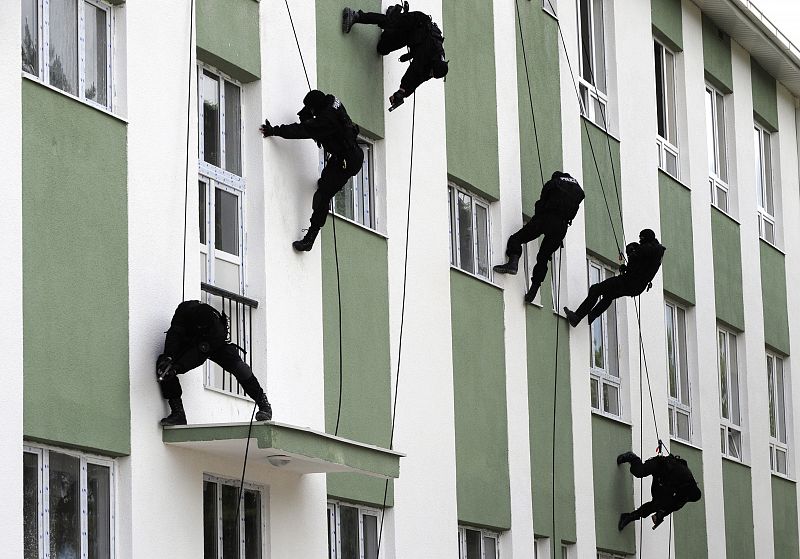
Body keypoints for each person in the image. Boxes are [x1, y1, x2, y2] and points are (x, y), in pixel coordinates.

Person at [261, 89, 364, 251]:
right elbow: (307, 114)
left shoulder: (326, 120)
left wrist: (274, 130)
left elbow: (302, 130)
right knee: (325, 181)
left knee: (322, 195)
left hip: (347, 162)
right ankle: (327, 184)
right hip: (344, 155)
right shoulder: (330, 99)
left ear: (316, 107)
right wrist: (308, 117)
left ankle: (310, 239)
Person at [156, 300, 272, 426]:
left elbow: (199, 354)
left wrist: (178, 367)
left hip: (215, 345)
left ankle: (264, 405)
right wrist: (168, 356)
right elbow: (174, 333)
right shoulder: (184, 310)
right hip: (190, 341)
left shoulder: (216, 327)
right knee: (165, 367)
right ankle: (178, 413)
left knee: (241, 369)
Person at [493, 171, 584, 303]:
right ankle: (534, 289)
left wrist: (536, 221)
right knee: (543, 258)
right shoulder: (577, 189)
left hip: (546, 218)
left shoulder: (553, 182)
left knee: (517, 239)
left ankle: (513, 263)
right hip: (562, 227)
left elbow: (541, 203)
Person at [342, 3, 448, 110]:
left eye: (433, 75)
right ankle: (356, 16)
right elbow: (413, 71)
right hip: (416, 23)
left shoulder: (435, 67)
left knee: (382, 48)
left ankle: (394, 13)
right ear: (433, 65)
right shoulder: (429, 52)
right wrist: (402, 90)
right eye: (432, 73)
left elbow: (419, 80)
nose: (431, 75)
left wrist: (402, 94)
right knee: (390, 22)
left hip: (411, 37)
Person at [563, 229, 665, 327]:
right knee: (609, 295)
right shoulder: (656, 254)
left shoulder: (647, 249)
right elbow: (640, 268)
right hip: (636, 287)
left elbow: (635, 258)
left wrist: (631, 252)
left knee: (596, 289)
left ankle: (577, 317)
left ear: (645, 238)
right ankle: (592, 316)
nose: (640, 241)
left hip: (628, 282)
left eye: (641, 238)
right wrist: (628, 267)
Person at [616, 451, 702, 531]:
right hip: (659, 465)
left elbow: (672, 507)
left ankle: (630, 516)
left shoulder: (684, 496)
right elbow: (669, 487)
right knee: (639, 471)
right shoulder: (685, 475)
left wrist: (660, 515)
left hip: (662, 480)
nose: (684, 496)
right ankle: (633, 458)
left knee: (657, 505)